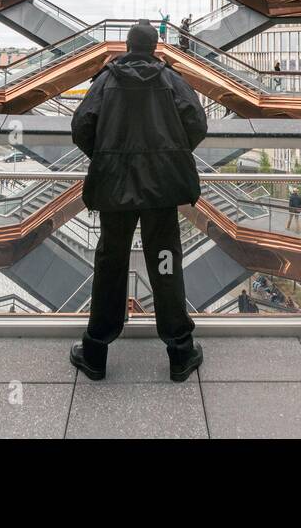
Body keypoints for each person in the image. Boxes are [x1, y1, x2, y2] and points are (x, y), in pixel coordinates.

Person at [69, 20, 207, 382]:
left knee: (110, 265)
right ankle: (180, 352)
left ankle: (96, 352)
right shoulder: (171, 79)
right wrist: (170, 153)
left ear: (128, 47)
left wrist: (108, 156)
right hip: (161, 190)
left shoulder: (106, 80)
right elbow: (197, 122)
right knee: (165, 264)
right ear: (155, 47)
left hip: (115, 191)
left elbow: (81, 126)